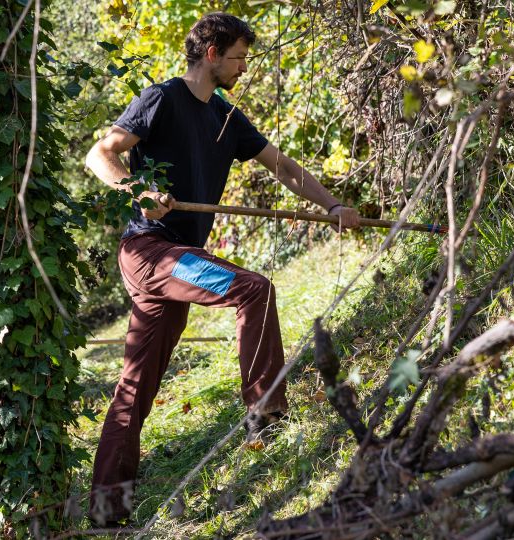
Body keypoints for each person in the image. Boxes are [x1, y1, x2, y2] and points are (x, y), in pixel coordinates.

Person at [84, 12, 360, 524]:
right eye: (238, 57)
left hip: (176, 260)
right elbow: (100, 155)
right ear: (212, 53)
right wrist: (138, 190)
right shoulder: (161, 99)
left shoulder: (226, 119)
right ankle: (265, 412)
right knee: (251, 289)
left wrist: (332, 206)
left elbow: (282, 167)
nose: (243, 67)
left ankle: (106, 507)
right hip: (149, 250)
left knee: (136, 383)